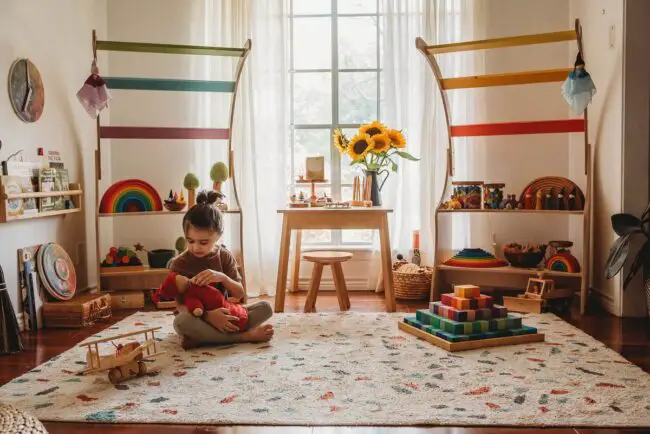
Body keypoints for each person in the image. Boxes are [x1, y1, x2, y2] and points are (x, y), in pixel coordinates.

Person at [170, 190, 274, 350]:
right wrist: (208, 316)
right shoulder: (179, 264)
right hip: (195, 318)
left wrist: (222, 277)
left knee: (265, 308)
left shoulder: (224, 256)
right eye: (190, 241)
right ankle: (243, 337)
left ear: (218, 236)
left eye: (203, 242)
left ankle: (206, 339)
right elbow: (180, 306)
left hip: (225, 312)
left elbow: (240, 294)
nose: (195, 247)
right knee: (181, 322)